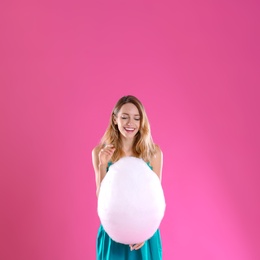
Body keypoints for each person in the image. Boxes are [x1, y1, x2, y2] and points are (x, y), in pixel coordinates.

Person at [92, 95, 163, 260]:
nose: (130, 123)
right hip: (113, 232)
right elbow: (102, 198)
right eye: (124, 117)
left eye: (136, 118)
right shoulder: (99, 153)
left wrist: (145, 232)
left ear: (141, 122)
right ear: (115, 119)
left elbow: (155, 199)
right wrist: (103, 164)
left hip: (145, 237)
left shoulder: (153, 153)